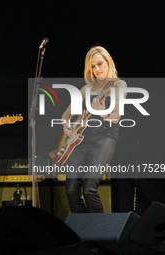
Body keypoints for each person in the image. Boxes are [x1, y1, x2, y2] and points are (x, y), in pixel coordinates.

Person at [61, 46, 127, 213]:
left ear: (108, 62)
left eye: (100, 64)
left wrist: (102, 112)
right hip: (80, 141)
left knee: (89, 189)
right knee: (70, 190)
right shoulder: (86, 89)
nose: (97, 69)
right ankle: (83, 230)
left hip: (104, 139)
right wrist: (66, 126)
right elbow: (65, 115)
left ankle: (98, 232)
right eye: (92, 66)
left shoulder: (119, 85)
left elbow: (116, 117)